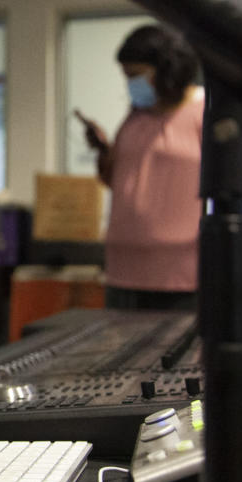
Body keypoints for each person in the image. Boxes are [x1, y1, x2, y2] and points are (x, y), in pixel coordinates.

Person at [75, 23, 204, 311]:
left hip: (180, 277)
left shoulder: (203, 112)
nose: (131, 85)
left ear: (168, 71)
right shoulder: (135, 116)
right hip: (122, 271)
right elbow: (123, 180)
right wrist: (103, 150)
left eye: (136, 76)